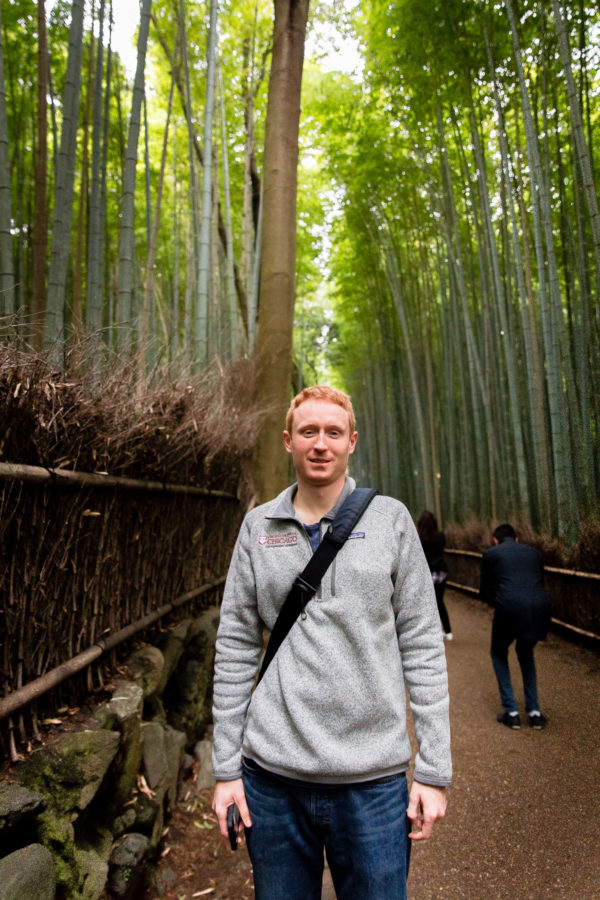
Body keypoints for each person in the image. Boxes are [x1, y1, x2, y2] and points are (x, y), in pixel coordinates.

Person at [211, 385, 452, 900]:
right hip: (272, 780)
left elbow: (424, 646)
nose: (321, 443)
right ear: (288, 441)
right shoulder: (259, 527)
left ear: (352, 442)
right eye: (308, 432)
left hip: (373, 782)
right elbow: (234, 648)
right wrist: (226, 769)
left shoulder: (391, 521)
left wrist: (432, 771)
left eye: (333, 433)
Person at [479, 523, 551, 730]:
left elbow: (485, 590)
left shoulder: (491, 554)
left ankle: (511, 712)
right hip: (539, 607)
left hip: (509, 607)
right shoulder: (535, 553)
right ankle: (534, 712)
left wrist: (497, 601)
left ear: (495, 540)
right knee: (525, 651)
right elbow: (538, 583)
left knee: (498, 652)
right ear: (517, 538)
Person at [417, 510, 453, 641]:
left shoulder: (418, 537)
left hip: (426, 573)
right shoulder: (440, 536)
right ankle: (448, 631)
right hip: (440, 572)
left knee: (426, 603)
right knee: (439, 601)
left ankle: (430, 631)